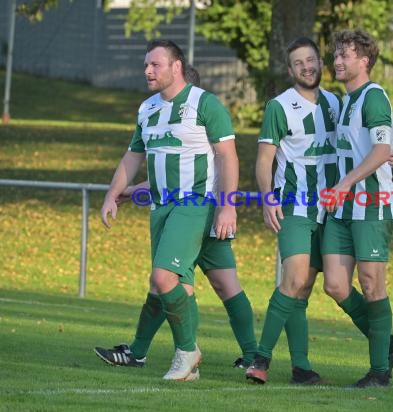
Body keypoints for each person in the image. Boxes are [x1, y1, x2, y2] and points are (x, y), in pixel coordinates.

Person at [245, 37, 393, 385]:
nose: (312, 65)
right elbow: (266, 159)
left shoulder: (350, 99)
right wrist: (267, 197)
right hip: (311, 207)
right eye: (298, 62)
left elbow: (374, 144)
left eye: (315, 59)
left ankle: (376, 362)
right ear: (290, 70)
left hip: (353, 204)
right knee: (314, 283)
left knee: (350, 284)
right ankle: (264, 359)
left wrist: (383, 154)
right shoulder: (307, 104)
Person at [95, 39, 241, 381]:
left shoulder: (206, 104)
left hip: (194, 203)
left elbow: (228, 157)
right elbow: (133, 156)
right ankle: (184, 364)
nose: (147, 70)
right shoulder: (147, 109)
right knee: (174, 286)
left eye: (155, 65)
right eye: (145, 65)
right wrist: (112, 194)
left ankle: (188, 352)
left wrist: (227, 208)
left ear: (176, 67)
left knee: (164, 278)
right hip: (160, 207)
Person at [321, 29, 393, 389]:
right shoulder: (346, 102)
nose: (337, 60)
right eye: (336, 54)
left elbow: (382, 150)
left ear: (364, 60)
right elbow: (376, 150)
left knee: (372, 286)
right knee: (336, 286)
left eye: (346, 55)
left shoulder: (373, 97)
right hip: (343, 210)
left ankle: (379, 373)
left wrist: (346, 182)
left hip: (371, 206)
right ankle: (387, 344)